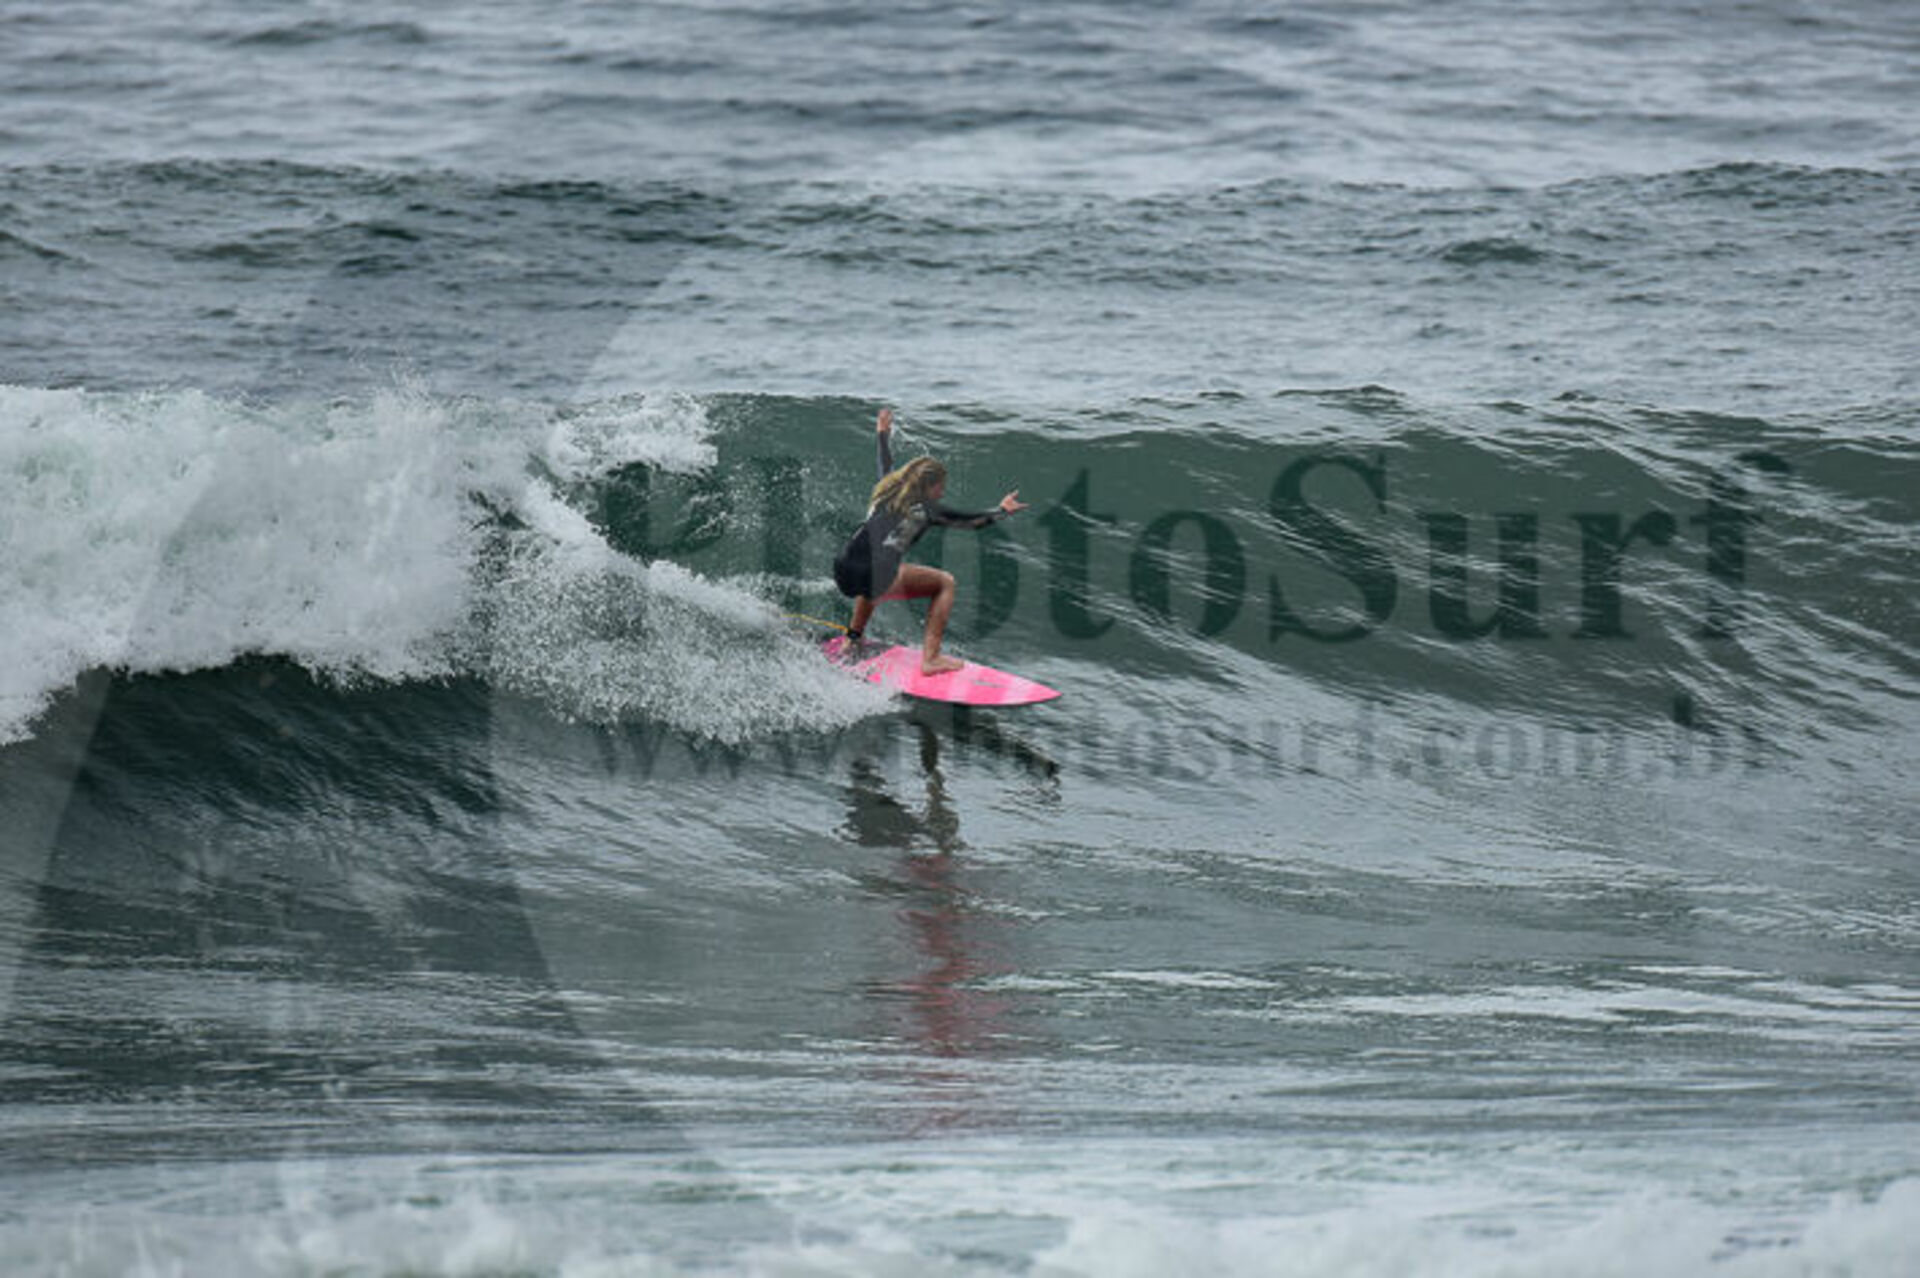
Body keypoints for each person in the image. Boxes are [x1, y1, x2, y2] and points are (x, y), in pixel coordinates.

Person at [832, 408, 1026, 675]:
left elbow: (884, 461)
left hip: (842, 569)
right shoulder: (928, 509)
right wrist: (1002, 510)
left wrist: (882, 434)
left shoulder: (886, 489)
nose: (942, 492)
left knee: (878, 570)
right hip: (872, 576)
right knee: (945, 582)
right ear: (928, 486)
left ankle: (852, 640)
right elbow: (973, 521)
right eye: (940, 487)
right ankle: (931, 659)